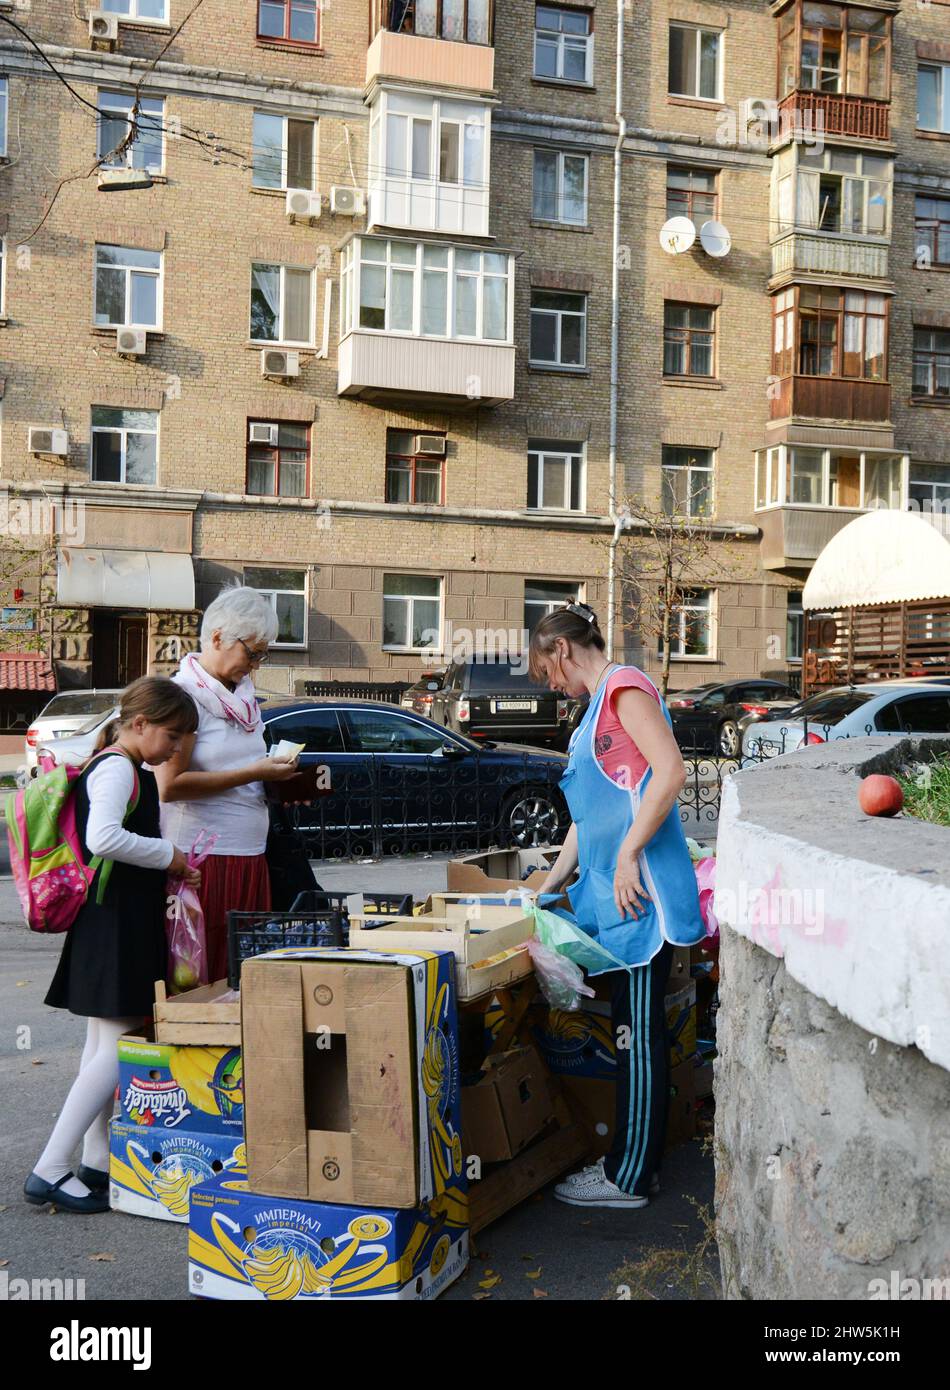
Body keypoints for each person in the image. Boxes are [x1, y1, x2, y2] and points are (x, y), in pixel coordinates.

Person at [530, 602, 704, 1210]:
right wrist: (550, 883)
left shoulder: (624, 689)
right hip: (616, 898)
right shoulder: (594, 711)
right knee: (632, 1032)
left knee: (637, 1037)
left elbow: (671, 772)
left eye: (547, 672)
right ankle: (630, 1166)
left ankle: (626, 1178)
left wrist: (629, 853)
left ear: (562, 650)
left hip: (641, 895)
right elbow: (589, 814)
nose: (551, 686)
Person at [25, 676, 201, 1214]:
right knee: (117, 1047)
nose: (176, 749)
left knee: (102, 1047)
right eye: (172, 736)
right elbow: (103, 837)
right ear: (139, 724)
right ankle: (50, 1168)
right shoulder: (120, 768)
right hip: (116, 922)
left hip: (111, 920)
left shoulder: (122, 765)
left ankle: (95, 1161)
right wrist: (169, 855)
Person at [154, 587, 301, 983]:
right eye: (251, 653)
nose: (254, 665)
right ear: (217, 638)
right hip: (203, 863)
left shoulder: (245, 699)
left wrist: (280, 785)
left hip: (250, 857)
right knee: (198, 977)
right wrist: (256, 773)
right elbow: (170, 785)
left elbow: (243, 771)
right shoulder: (183, 697)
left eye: (261, 655)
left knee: (240, 978)